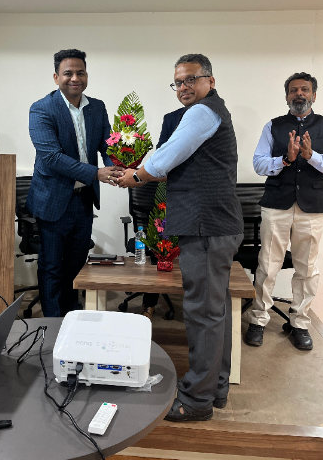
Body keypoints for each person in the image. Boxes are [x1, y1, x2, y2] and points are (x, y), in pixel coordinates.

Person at [118, 54, 243, 422]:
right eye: (178, 82)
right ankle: (215, 388)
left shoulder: (203, 112)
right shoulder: (208, 111)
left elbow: (166, 158)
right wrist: (144, 169)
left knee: (203, 314)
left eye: (191, 79)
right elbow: (169, 158)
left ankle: (197, 400)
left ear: (210, 81)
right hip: (216, 224)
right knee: (214, 312)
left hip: (206, 225)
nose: (184, 87)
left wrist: (135, 176)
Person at [244, 72, 323, 350]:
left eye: (304, 89)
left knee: (307, 268)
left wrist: (311, 156)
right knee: (268, 264)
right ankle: (258, 319)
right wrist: (285, 159)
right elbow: (259, 164)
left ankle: (299, 322)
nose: (299, 94)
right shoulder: (273, 126)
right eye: (293, 90)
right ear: (286, 96)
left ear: (314, 95)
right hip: (276, 204)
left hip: (312, 206)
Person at [26, 49, 124, 317]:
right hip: (53, 200)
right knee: (52, 266)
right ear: (56, 77)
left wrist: (121, 166)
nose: (75, 78)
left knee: (76, 264)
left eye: (80, 73)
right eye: (68, 73)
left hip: (83, 199)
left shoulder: (97, 107)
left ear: (86, 75)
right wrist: (96, 173)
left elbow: (107, 145)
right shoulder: (41, 108)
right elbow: (52, 158)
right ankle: (53, 325)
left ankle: (71, 315)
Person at [139, 106, 184, 319]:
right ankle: (149, 304)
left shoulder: (210, 116)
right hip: (167, 191)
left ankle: (194, 305)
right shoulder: (171, 118)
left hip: (195, 194)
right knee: (160, 245)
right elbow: (161, 155)